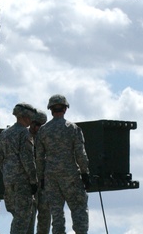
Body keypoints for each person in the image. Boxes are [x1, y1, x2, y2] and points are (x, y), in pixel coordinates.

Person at [36, 94, 90, 234]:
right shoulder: (72, 129)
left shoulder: (43, 131)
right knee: (78, 209)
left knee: (57, 214)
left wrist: (41, 178)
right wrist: (85, 173)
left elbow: (39, 158)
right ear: (65, 109)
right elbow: (80, 154)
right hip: (70, 175)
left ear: (51, 110)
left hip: (51, 177)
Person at [0, 102, 38, 234]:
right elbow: (27, 159)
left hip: (8, 181)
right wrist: (33, 180)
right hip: (22, 182)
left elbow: (0, 158)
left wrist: (7, 174)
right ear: (25, 116)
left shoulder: (5, 134)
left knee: (17, 217)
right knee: (22, 219)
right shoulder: (24, 133)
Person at [27, 108, 57, 234]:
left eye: (41, 125)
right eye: (36, 124)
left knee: (45, 216)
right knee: (28, 216)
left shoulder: (47, 139)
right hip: (29, 184)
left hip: (45, 184)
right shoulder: (23, 137)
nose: (37, 128)